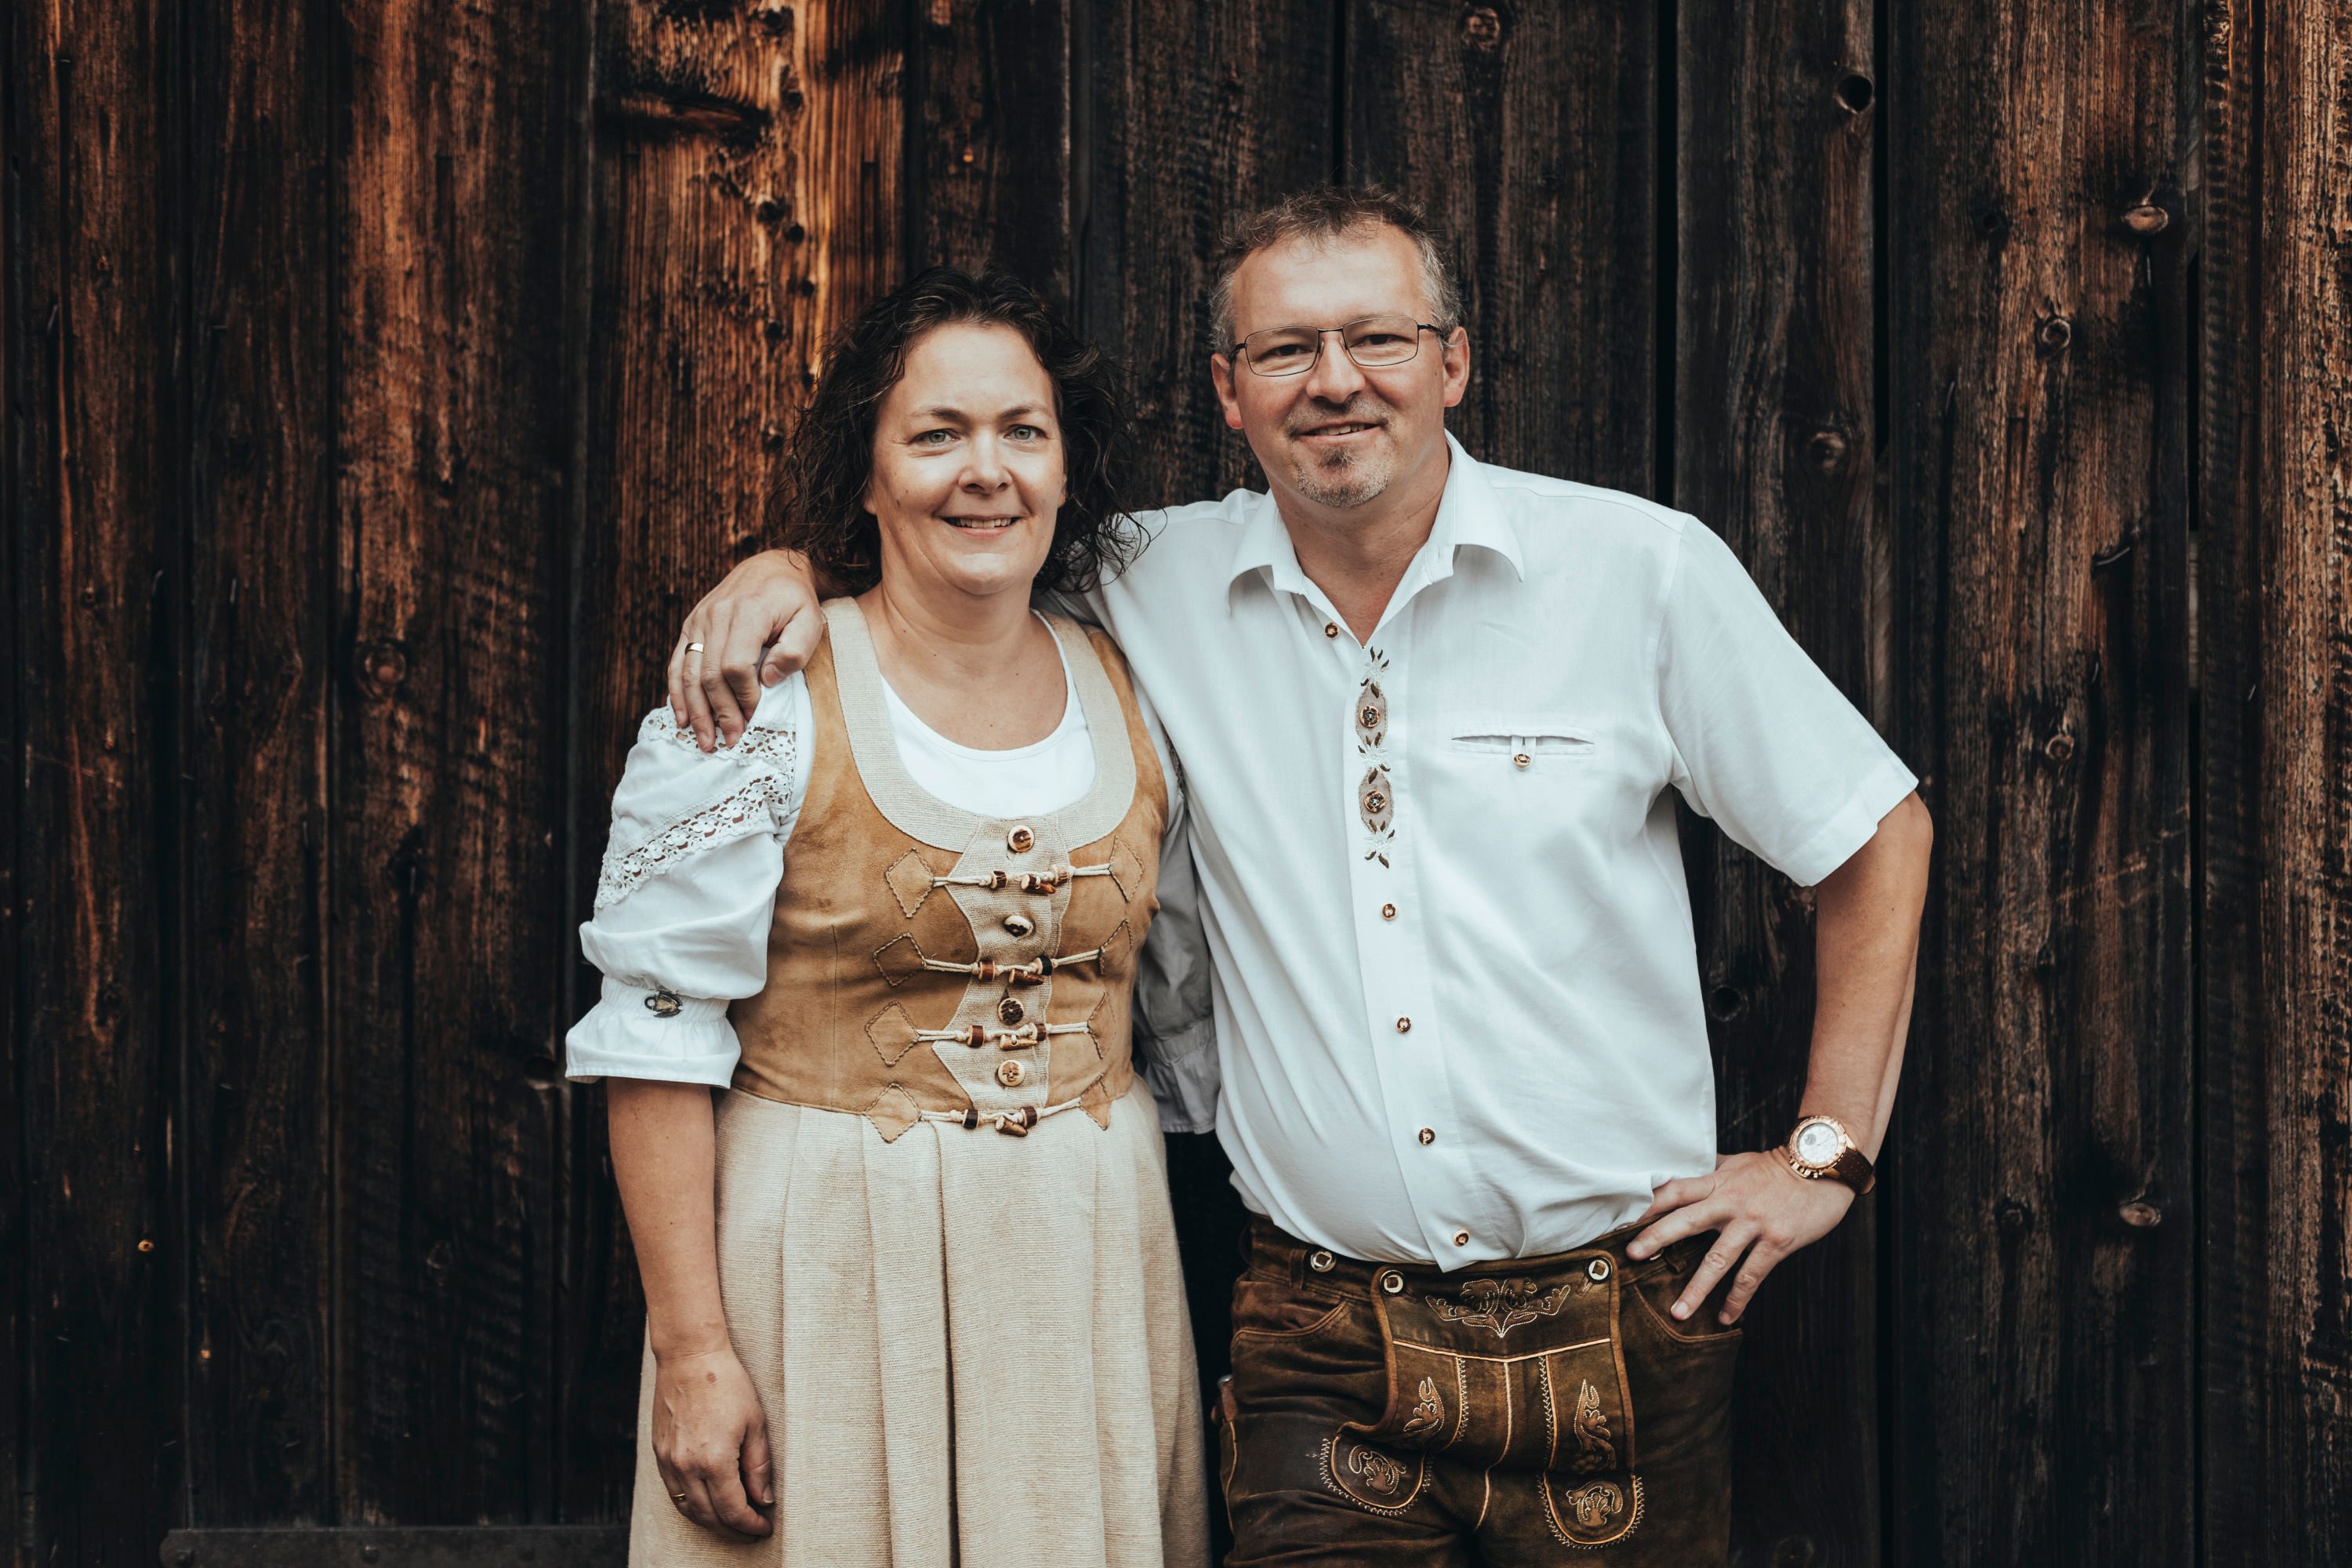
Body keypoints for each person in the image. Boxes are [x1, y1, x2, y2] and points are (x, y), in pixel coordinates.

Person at [665, 187, 1935, 1565]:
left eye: (1378, 339)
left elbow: (1874, 833)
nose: (1335, 382)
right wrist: (785, 565)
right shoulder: (1144, 582)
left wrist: (1827, 1152)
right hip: (1320, 1342)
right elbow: (957, 550)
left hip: (1618, 1327)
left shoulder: (1637, 573)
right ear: (1229, 389)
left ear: (1454, 363)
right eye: (1284, 351)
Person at [567, 266, 1213, 1566]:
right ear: (865, 474)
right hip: (825, 1256)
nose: (988, 471)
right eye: (936, 435)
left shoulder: (1145, 681)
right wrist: (691, 1348)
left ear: (1067, 467)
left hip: (1086, 1255)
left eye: (1023, 433)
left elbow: (1191, 1014)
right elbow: (654, 1033)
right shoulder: (762, 708)